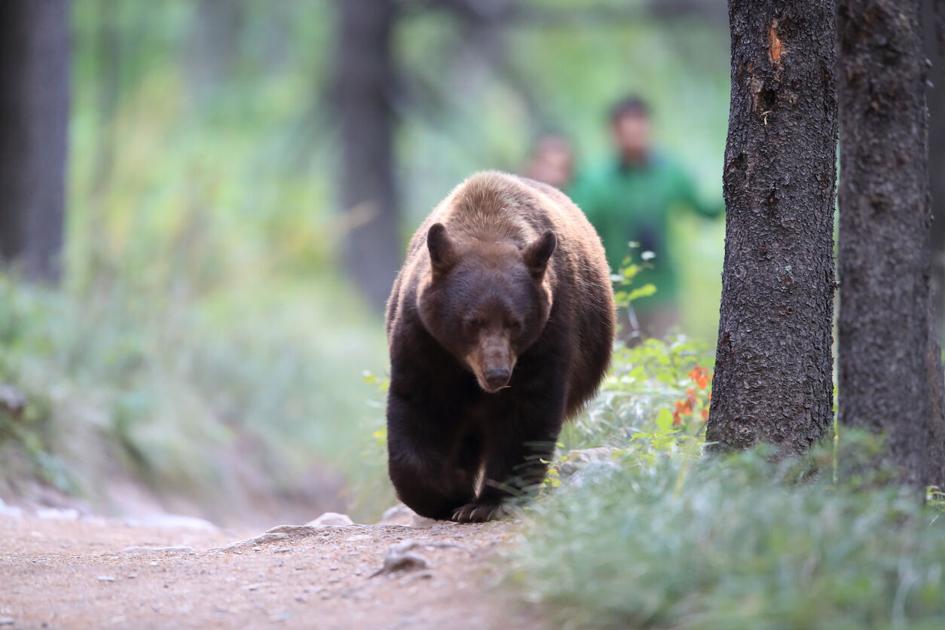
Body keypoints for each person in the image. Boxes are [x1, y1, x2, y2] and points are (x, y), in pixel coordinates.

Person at [569, 96, 722, 339]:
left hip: (663, 291)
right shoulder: (596, 181)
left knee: (667, 363)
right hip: (614, 295)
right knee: (618, 369)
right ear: (613, 132)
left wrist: (738, 183)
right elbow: (573, 225)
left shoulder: (670, 173)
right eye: (625, 130)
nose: (633, 137)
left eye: (639, 127)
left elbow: (706, 210)